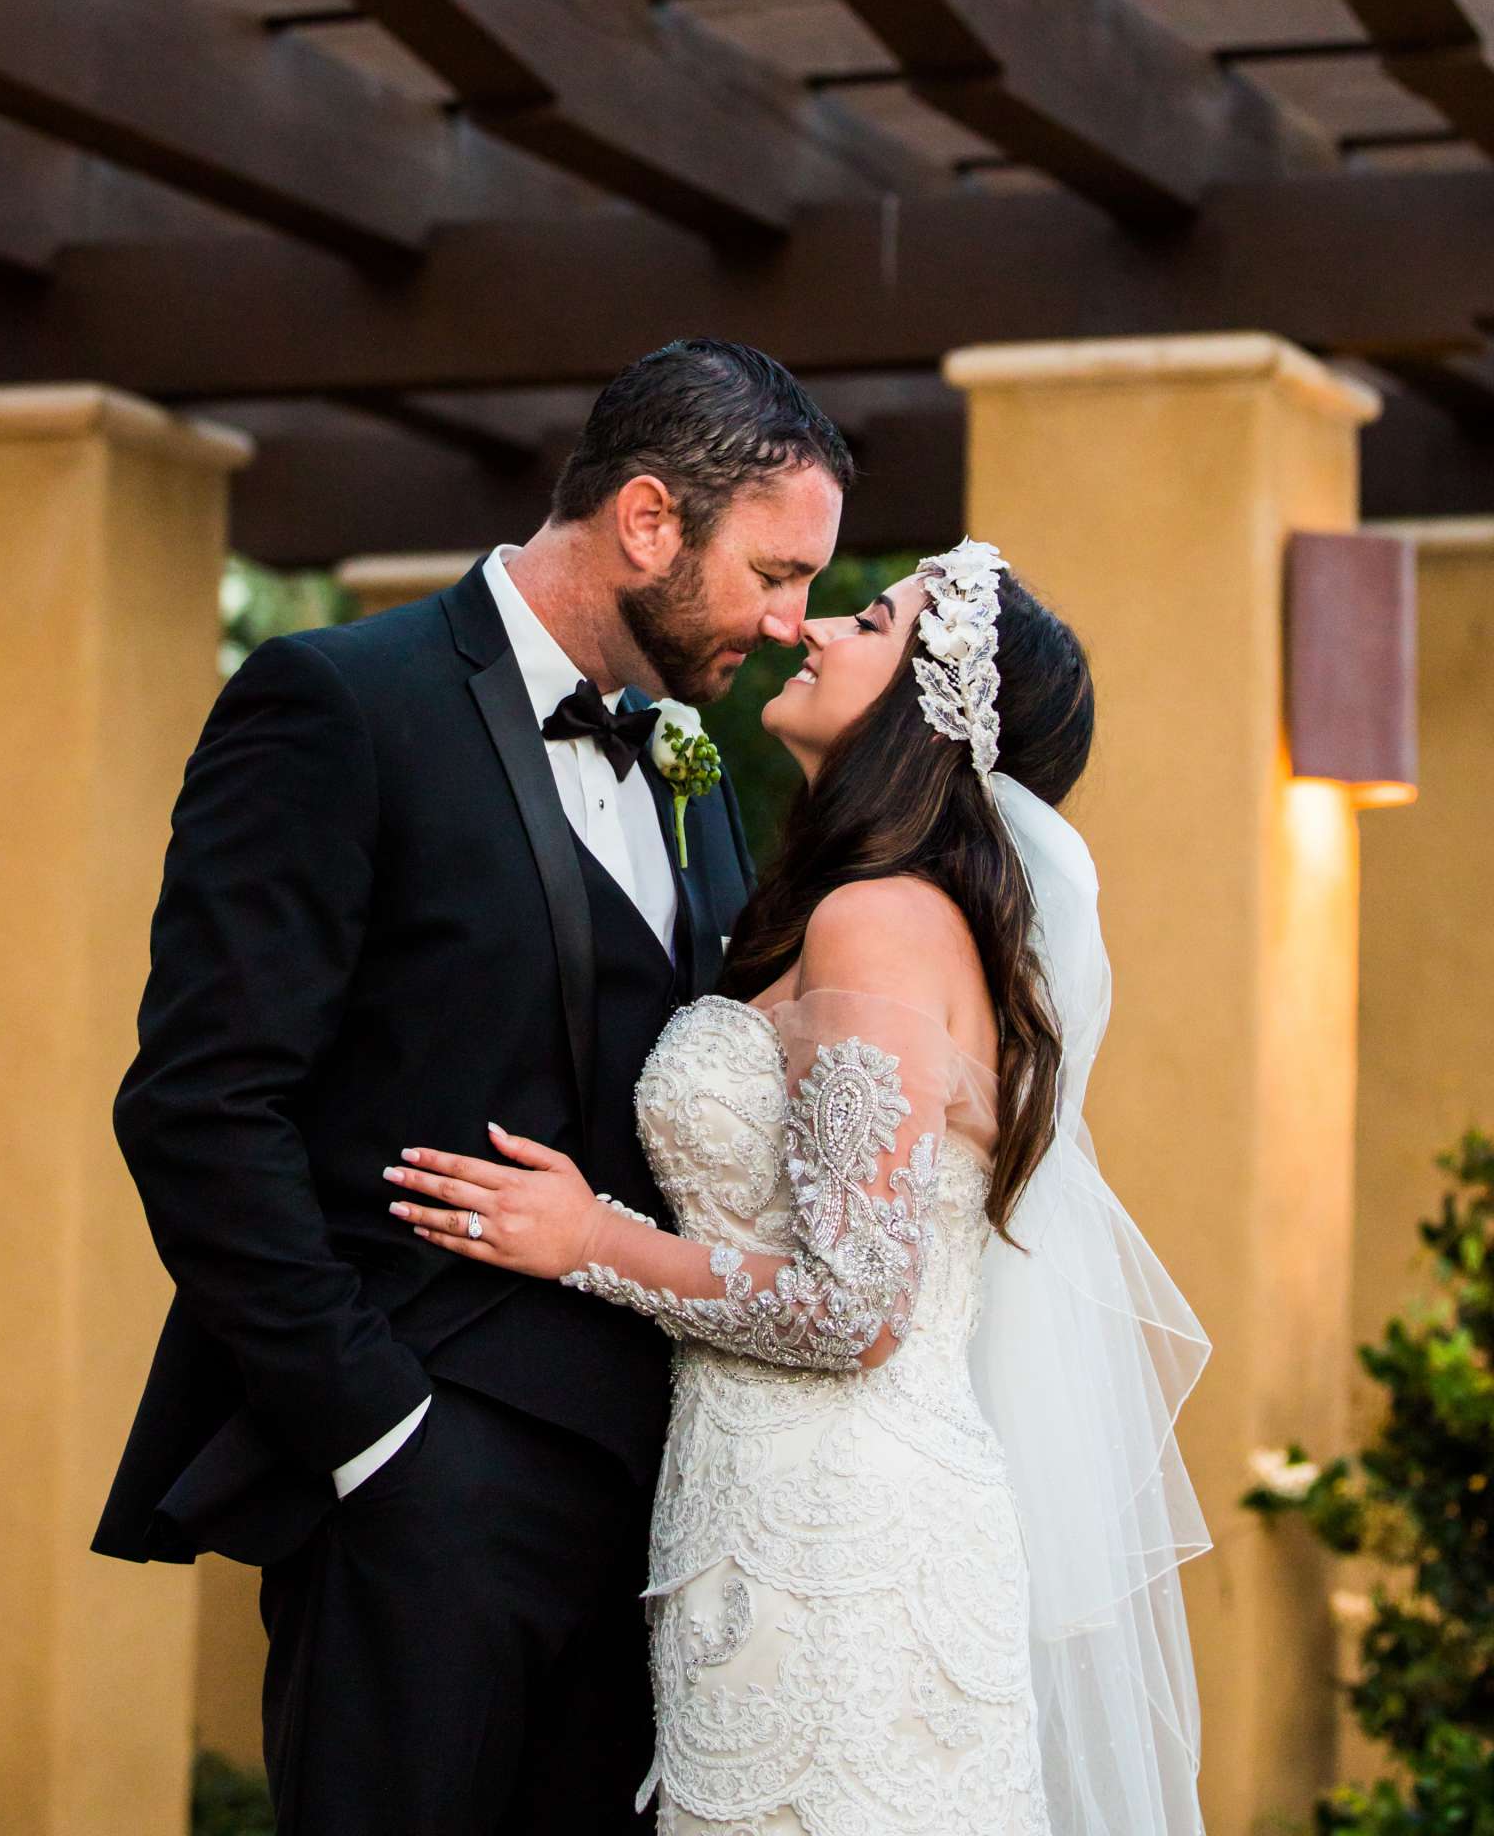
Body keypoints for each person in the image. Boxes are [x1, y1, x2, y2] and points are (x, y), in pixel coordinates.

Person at [92, 338, 850, 1836]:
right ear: (647, 521)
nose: (789, 623)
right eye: (774, 574)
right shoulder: (336, 703)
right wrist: (379, 1436)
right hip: (419, 1487)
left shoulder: (690, 769)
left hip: (653, 1511)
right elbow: (198, 1103)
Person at [391, 540, 1213, 1835]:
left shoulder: (878, 923)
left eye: (871, 621)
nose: (817, 630)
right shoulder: (848, 906)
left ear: (927, 708)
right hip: (764, 1524)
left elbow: (852, 1309)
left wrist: (585, 1240)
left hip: (843, 1551)